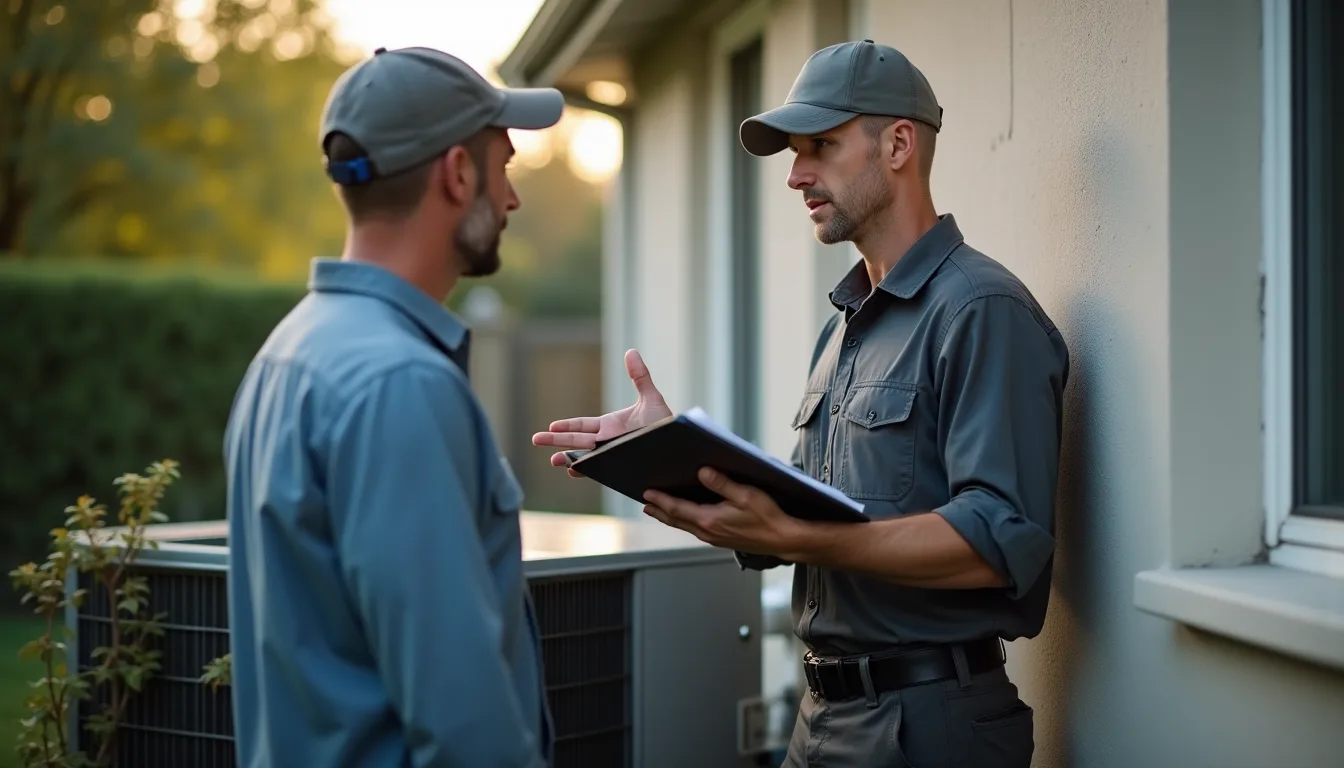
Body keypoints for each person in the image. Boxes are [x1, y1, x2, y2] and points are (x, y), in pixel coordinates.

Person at [533, 40, 1068, 768]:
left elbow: (1000, 541)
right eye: (793, 150)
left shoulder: (980, 310)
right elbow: (802, 512)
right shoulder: (845, 324)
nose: (795, 175)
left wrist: (804, 539)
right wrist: (670, 453)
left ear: (899, 144)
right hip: (820, 722)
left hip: (927, 727)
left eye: (821, 145)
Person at [223, 46, 563, 768]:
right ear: (457, 172)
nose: (511, 198)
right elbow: (462, 725)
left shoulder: (286, 353)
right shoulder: (399, 384)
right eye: (504, 164)